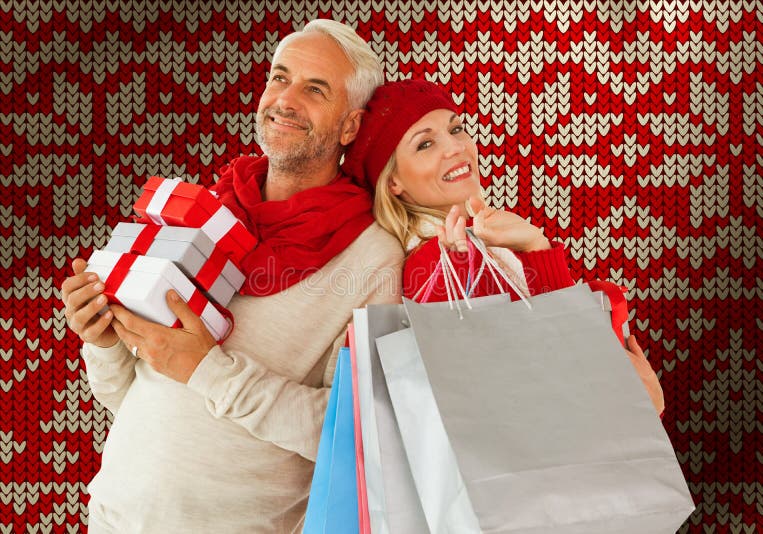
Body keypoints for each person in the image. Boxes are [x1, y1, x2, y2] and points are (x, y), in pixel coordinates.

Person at [59, 20, 403, 533]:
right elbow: (133, 394)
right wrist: (104, 340)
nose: (286, 100)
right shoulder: (208, 212)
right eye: (280, 78)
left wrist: (208, 369)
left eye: (315, 89)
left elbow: (347, 434)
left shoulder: (372, 257)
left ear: (349, 126)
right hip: (116, 517)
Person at [342, 78, 665, 414]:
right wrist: (633, 404)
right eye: (425, 144)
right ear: (392, 180)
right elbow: (499, 393)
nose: (455, 148)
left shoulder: (488, 244)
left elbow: (566, 351)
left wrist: (536, 248)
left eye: (456, 129)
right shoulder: (434, 263)